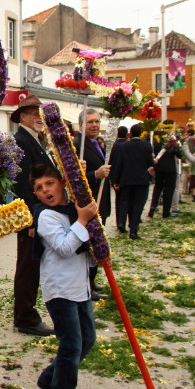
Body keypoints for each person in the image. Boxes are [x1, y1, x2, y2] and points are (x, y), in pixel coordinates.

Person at [30, 163, 97, 389]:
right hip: (59, 290)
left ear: (62, 183)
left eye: (50, 183)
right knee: (71, 345)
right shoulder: (46, 216)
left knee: (87, 339)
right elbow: (65, 247)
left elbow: (85, 247)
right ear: (35, 194)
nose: (46, 190)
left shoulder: (70, 209)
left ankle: (51, 377)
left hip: (80, 287)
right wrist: (82, 220)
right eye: (39, 188)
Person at [10, 95, 56, 336]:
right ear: (22, 117)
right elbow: (23, 185)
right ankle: (25, 317)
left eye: (40, 112)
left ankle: (26, 313)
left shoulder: (34, 140)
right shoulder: (21, 141)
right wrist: (31, 220)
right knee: (28, 266)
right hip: (30, 217)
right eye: (33, 113)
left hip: (37, 214)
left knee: (32, 265)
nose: (39, 117)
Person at [74, 109, 110, 300]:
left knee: (97, 243)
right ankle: (87, 284)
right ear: (80, 125)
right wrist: (95, 174)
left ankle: (92, 280)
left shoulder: (95, 143)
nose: (94, 125)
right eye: (90, 122)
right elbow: (76, 179)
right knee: (90, 243)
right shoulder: (78, 145)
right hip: (89, 202)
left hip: (100, 199)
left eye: (96, 121)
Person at [111, 124, 154, 240]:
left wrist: (116, 180)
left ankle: (124, 223)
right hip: (141, 179)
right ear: (140, 133)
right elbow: (150, 163)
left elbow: (119, 164)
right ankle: (133, 229)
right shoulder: (146, 146)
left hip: (126, 179)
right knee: (138, 204)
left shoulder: (124, 146)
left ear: (130, 133)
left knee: (126, 202)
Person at [148, 120, 181, 219]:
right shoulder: (172, 140)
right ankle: (166, 212)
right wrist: (177, 147)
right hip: (170, 168)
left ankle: (153, 206)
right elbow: (179, 155)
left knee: (158, 187)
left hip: (159, 167)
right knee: (169, 190)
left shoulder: (157, 139)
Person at [109, 126, 128, 232]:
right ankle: (122, 221)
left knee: (118, 199)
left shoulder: (113, 146)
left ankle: (119, 221)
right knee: (125, 199)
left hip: (114, 175)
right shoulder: (126, 145)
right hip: (125, 176)